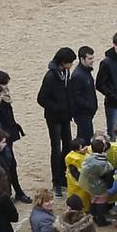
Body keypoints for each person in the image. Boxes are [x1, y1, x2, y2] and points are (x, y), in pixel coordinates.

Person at [37, 47, 76, 196]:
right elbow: (41, 99)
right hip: (54, 118)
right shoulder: (50, 77)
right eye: (70, 62)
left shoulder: (65, 73)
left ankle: (64, 176)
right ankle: (56, 182)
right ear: (63, 62)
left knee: (67, 145)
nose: (71, 65)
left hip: (65, 116)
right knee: (56, 148)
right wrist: (57, 108)